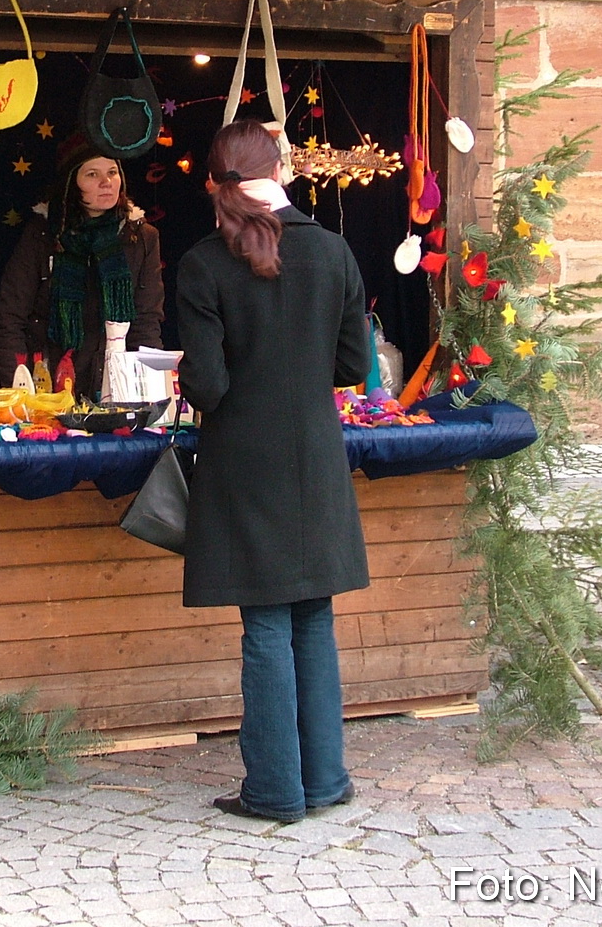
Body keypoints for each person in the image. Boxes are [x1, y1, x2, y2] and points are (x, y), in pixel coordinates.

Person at [174, 119, 371, 823]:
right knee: (312, 615)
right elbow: (352, 367)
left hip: (241, 458)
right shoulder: (332, 250)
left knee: (264, 622)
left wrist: (186, 376)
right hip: (315, 453)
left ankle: (274, 792)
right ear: (280, 169)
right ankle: (321, 781)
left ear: (212, 184)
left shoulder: (201, 263)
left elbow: (210, 385)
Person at [0, 138, 165, 401]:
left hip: (114, 386)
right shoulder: (42, 234)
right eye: (92, 174)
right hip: (47, 387)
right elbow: (9, 319)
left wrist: (148, 393)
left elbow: (146, 321)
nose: (106, 182)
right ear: (72, 182)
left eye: (112, 172)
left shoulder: (141, 237)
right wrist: (23, 392)